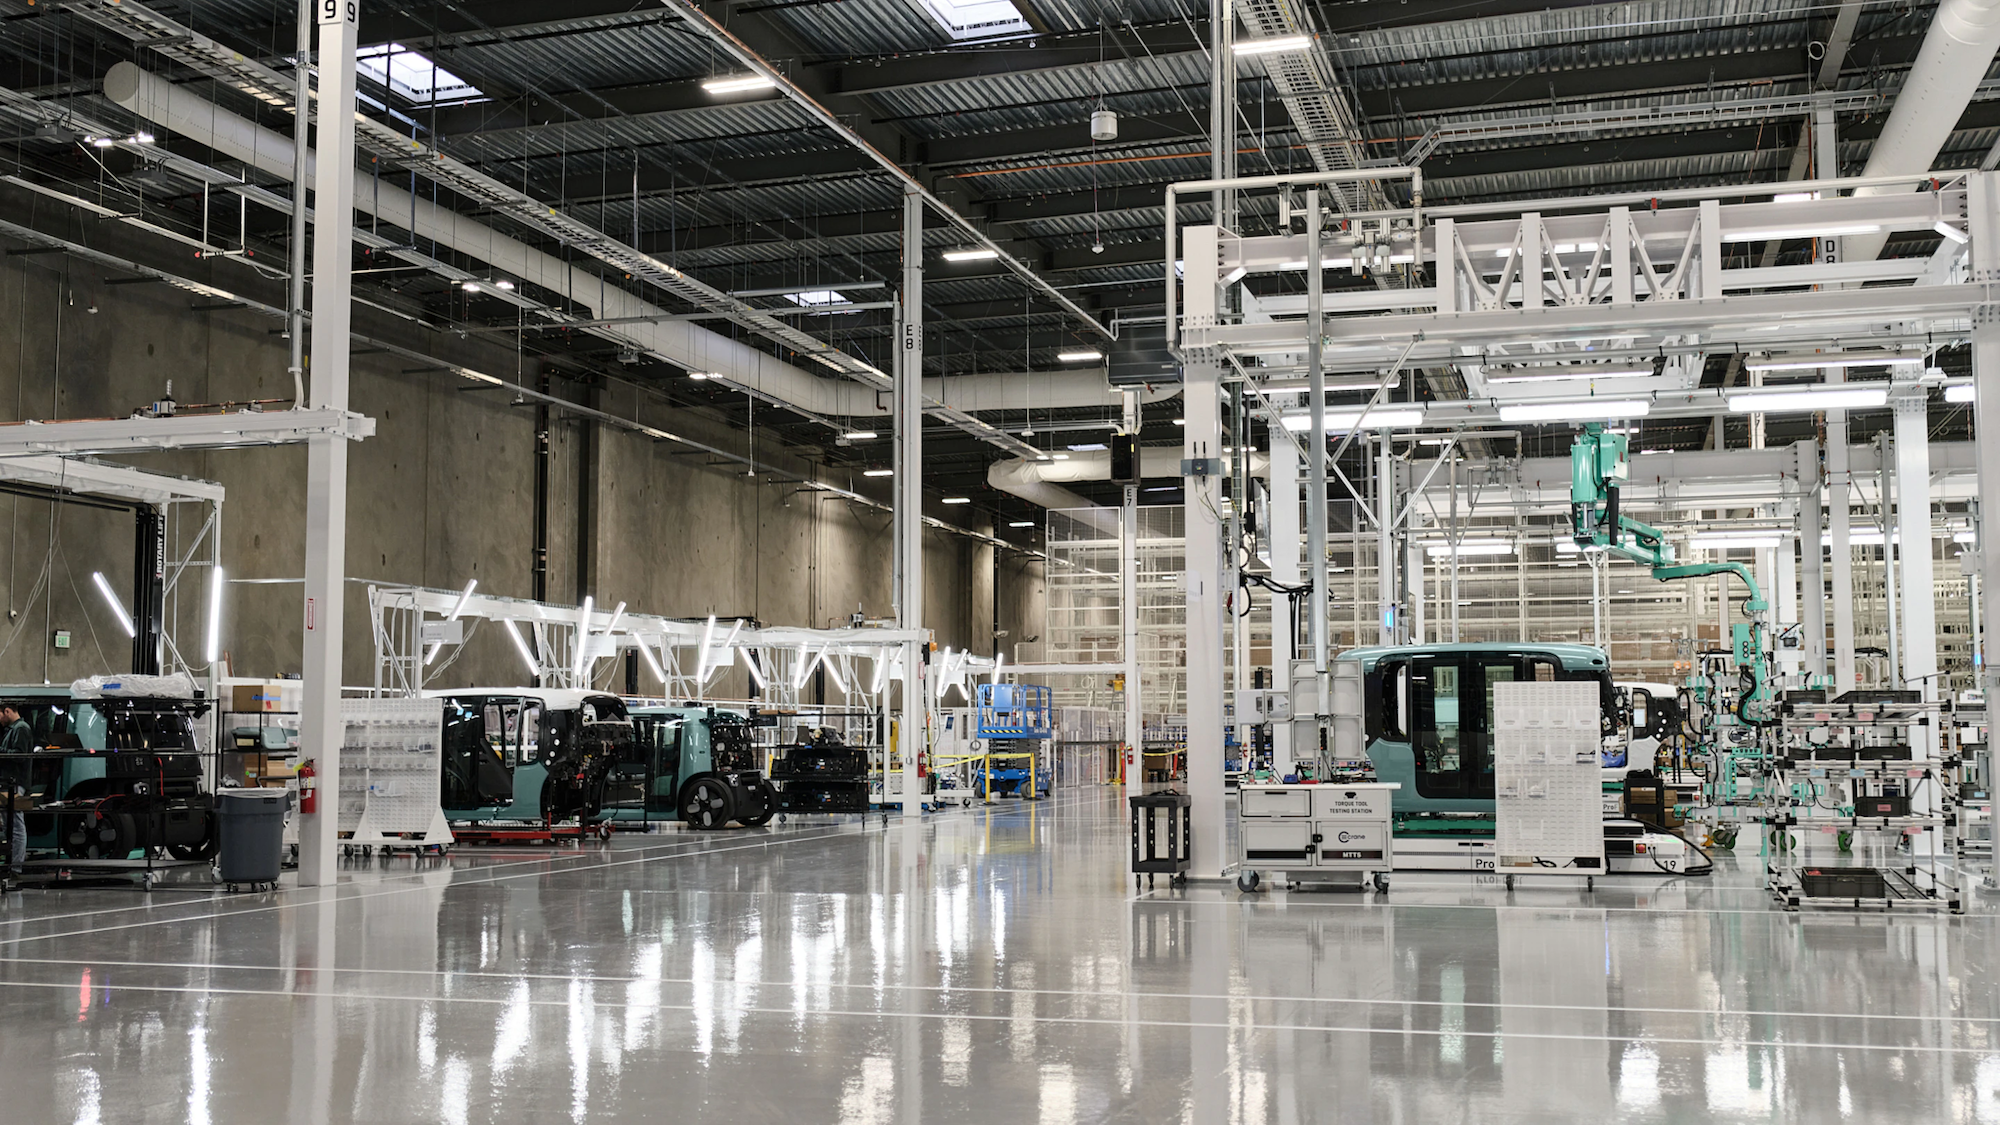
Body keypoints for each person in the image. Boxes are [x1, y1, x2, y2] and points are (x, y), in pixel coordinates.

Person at [0, 703, 30, 870]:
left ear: (7, 711)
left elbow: (20, 755)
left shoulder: (21, 729)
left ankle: (16, 867)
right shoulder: (13, 729)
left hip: (15, 784)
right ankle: (11, 864)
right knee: (10, 825)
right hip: (10, 783)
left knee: (16, 825)